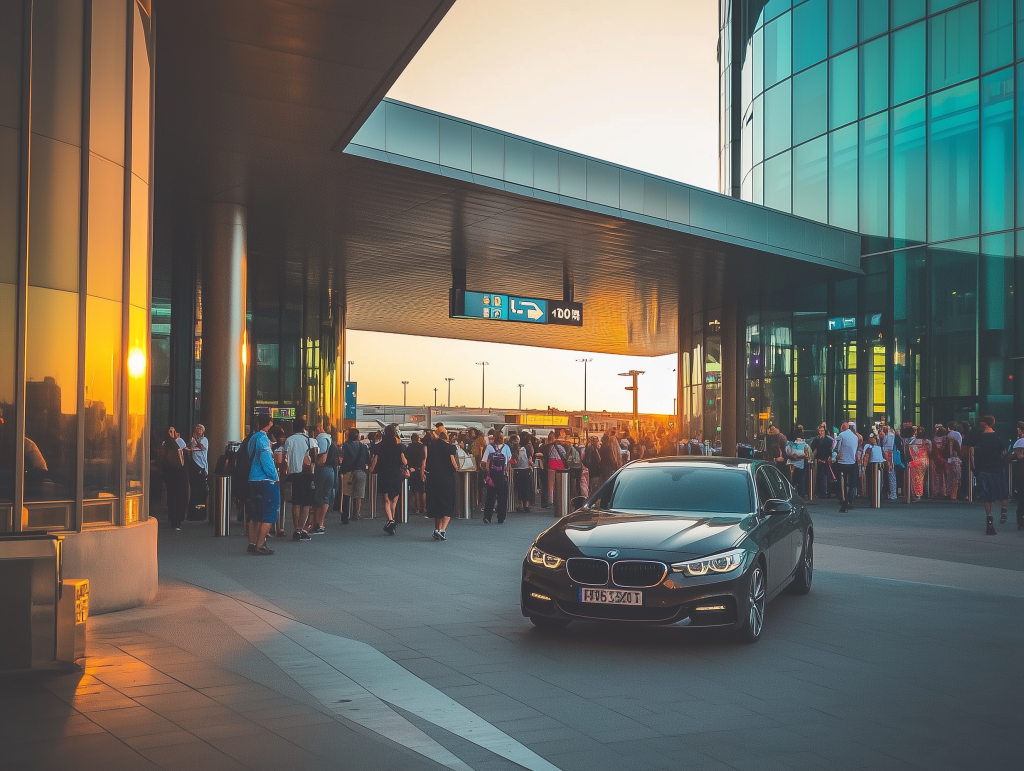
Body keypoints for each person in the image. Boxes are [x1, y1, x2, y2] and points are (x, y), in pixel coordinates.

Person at [245, 413, 279, 555]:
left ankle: (252, 543)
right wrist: (275, 476)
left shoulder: (252, 439)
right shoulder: (263, 439)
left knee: (256, 513)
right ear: (269, 424)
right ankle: (260, 545)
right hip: (265, 480)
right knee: (270, 512)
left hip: (253, 478)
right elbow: (266, 461)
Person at [368, 424, 407, 535]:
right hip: (396, 474)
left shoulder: (379, 446)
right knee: (394, 500)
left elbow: (375, 459)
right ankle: (392, 521)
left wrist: (371, 469)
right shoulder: (399, 446)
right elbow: (404, 461)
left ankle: (390, 520)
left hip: (384, 474)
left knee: (386, 499)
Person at [283, 418, 317, 540]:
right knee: (306, 503)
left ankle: (296, 528)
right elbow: (315, 457)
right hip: (306, 474)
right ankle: (302, 529)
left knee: (296, 502)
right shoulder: (310, 440)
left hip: (293, 474)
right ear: (304, 427)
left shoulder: (289, 440)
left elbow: (285, 457)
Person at [973, 416, 1008, 534]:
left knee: (986, 495)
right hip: (997, 467)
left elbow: (975, 453)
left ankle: (989, 520)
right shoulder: (997, 436)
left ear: (985, 423)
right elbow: (1003, 451)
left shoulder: (979, 437)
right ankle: (1003, 510)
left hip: (984, 468)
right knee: (1003, 491)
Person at [426, 429, 459, 539]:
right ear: (447, 439)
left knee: (436, 503)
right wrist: (456, 468)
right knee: (448, 503)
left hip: (432, 478)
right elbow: (453, 464)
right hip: (446, 478)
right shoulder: (450, 448)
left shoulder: (430, 447)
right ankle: (442, 530)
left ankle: (436, 529)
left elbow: (426, 462)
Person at [308, 422, 338, 535]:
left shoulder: (322, 438)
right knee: (325, 496)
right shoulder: (330, 439)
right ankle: (320, 524)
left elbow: (322, 457)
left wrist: (315, 462)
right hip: (331, 470)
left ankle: (318, 524)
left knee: (319, 496)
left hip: (323, 469)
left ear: (319, 429)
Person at [161, 426, 189, 529]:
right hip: (171, 472)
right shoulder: (166, 444)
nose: (171, 433)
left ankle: (177, 518)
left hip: (177, 473)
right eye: (170, 431)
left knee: (178, 496)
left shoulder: (179, 442)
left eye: (173, 431)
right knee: (173, 496)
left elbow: (184, 455)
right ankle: (174, 519)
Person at [339, 429, 370, 521]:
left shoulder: (345, 445)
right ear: (358, 436)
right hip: (360, 471)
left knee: (346, 494)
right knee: (358, 494)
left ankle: (345, 515)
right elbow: (367, 460)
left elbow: (342, 458)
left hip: (348, 471)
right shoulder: (363, 447)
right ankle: (356, 513)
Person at [482, 431, 512, 523]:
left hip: (492, 476)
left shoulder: (489, 448)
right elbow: (509, 459)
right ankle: (501, 517)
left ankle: (487, 516)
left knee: (490, 497)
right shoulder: (506, 447)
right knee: (502, 498)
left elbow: (483, 461)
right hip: (502, 476)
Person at [185, 424, 209, 522]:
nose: (198, 430)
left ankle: (201, 512)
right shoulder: (192, 439)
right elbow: (189, 448)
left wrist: (197, 440)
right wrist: (193, 440)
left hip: (201, 466)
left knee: (201, 490)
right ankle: (192, 512)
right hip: (193, 465)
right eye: (197, 429)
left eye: (200, 429)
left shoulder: (204, 440)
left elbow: (202, 447)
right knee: (194, 489)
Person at [835, 421, 859, 513]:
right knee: (850, 483)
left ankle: (844, 502)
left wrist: (835, 456)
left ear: (843, 428)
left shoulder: (841, 435)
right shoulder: (855, 437)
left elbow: (836, 448)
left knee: (842, 484)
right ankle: (849, 500)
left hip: (842, 462)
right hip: (852, 462)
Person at [810, 424, 834, 499]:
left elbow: (832, 449)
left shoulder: (829, 440)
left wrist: (830, 457)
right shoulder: (816, 440)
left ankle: (828, 492)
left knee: (828, 477)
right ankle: (822, 493)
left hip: (827, 460)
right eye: (819, 431)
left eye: (822, 431)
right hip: (819, 460)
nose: (821, 432)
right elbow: (813, 451)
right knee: (821, 477)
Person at [405, 433, 427, 514]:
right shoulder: (422, 447)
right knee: (423, 490)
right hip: (421, 468)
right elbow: (424, 459)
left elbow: (406, 460)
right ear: (418, 439)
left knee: (414, 490)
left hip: (412, 469)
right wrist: (422, 471)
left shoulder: (409, 447)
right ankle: (423, 507)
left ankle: (416, 507)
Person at [909, 426, 931, 500]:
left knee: (917, 478)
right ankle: (926, 493)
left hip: (916, 461)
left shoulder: (913, 441)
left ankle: (918, 493)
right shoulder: (927, 442)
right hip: (925, 460)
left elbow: (911, 449)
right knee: (925, 478)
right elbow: (930, 451)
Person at [786, 429, 810, 496]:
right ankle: (801, 496)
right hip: (800, 465)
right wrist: (800, 457)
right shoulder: (805, 444)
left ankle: (791, 494)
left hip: (791, 465)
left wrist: (794, 456)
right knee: (801, 481)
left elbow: (788, 453)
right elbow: (807, 455)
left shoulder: (789, 443)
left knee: (791, 481)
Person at [1011, 422, 1024, 530]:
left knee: (1021, 497)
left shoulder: (1020, 442)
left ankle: (1020, 520)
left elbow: (1019, 456)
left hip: (1021, 471)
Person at [930, 426, 949, 500]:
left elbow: (934, 452)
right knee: (943, 476)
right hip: (943, 459)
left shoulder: (934, 440)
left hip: (936, 460)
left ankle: (935, 491)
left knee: (936, 477)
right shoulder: (944, 440)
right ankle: (943, 491)